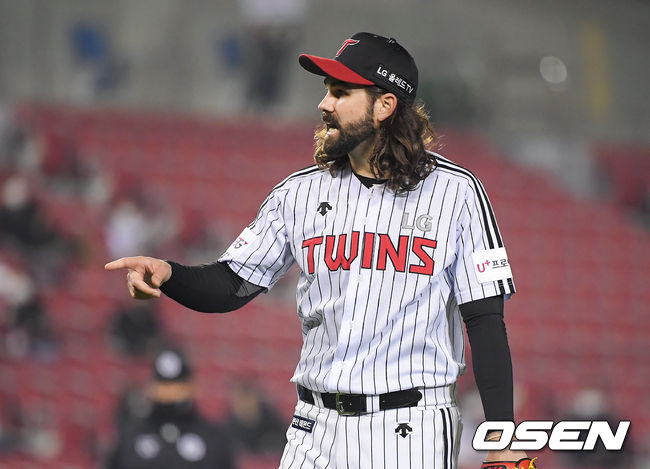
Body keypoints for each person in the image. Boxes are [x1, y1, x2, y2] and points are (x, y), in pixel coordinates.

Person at [106, 32, 535, 469]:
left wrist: (502, 437)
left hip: (410, 427)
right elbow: (232, 284)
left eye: (341, 92)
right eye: (327, 90)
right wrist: (170, 274)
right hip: (314, 427)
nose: (324, 104)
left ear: (385, 105)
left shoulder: (457, 193)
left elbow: (484, 319)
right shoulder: (298, 194)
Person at [105, 346, 235, 469]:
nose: (171, 394)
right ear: (151, 388)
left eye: (178, 387)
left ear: (192, 387)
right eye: (164, 387)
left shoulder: (213, 438)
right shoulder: (130, 436)